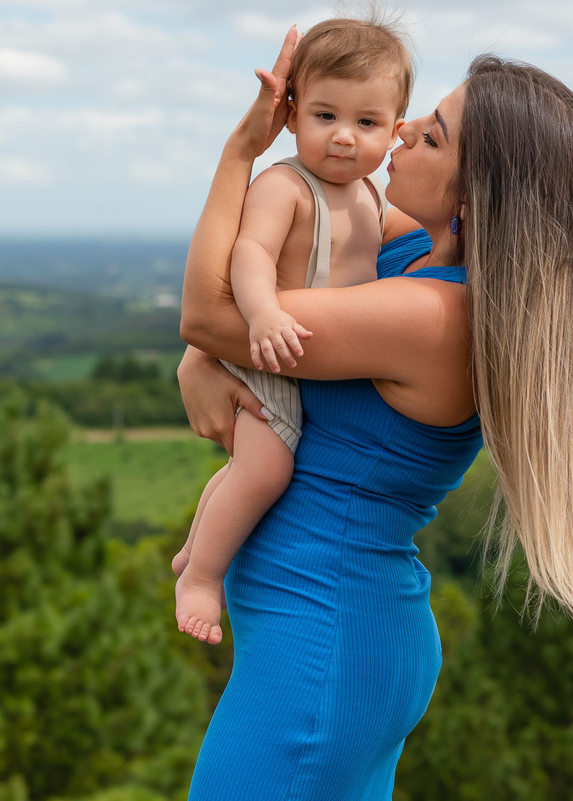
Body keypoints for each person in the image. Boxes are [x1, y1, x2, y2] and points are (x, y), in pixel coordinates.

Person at [177, 25, 573, 800]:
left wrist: (242, 153)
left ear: (474, 193)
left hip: (322, 647)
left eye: (429, 134)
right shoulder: (412, 256)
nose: (399, 130)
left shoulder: (430, 316)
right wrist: (199, 362)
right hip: (329, 637)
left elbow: (206, 312)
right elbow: (268, 281)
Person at [173, 17, 414, 646]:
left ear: (396, 127)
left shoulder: (372, 197)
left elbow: (421, 243)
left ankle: (194, 548)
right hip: (268, 351)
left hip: (297, 354)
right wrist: (263, 315)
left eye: (366, 123)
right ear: (291, 113)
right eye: (324, 115)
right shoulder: (286, 184)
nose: (342, 138)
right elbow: (251, 252)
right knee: (265, 470)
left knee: (247, 465)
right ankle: (201, 577)